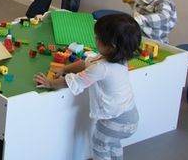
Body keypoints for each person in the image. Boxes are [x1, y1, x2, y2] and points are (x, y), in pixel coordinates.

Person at [34, 13, 141, 160]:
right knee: (113, 144)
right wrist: (64, 69)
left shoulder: (102, 68)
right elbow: (85, 63)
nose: (95, 39)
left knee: (100, 146)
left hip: (116, 121)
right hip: (129, 114)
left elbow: (73, 82)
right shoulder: (116, 58)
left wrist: (49, 83)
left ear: (112, 46)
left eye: (98, 38)